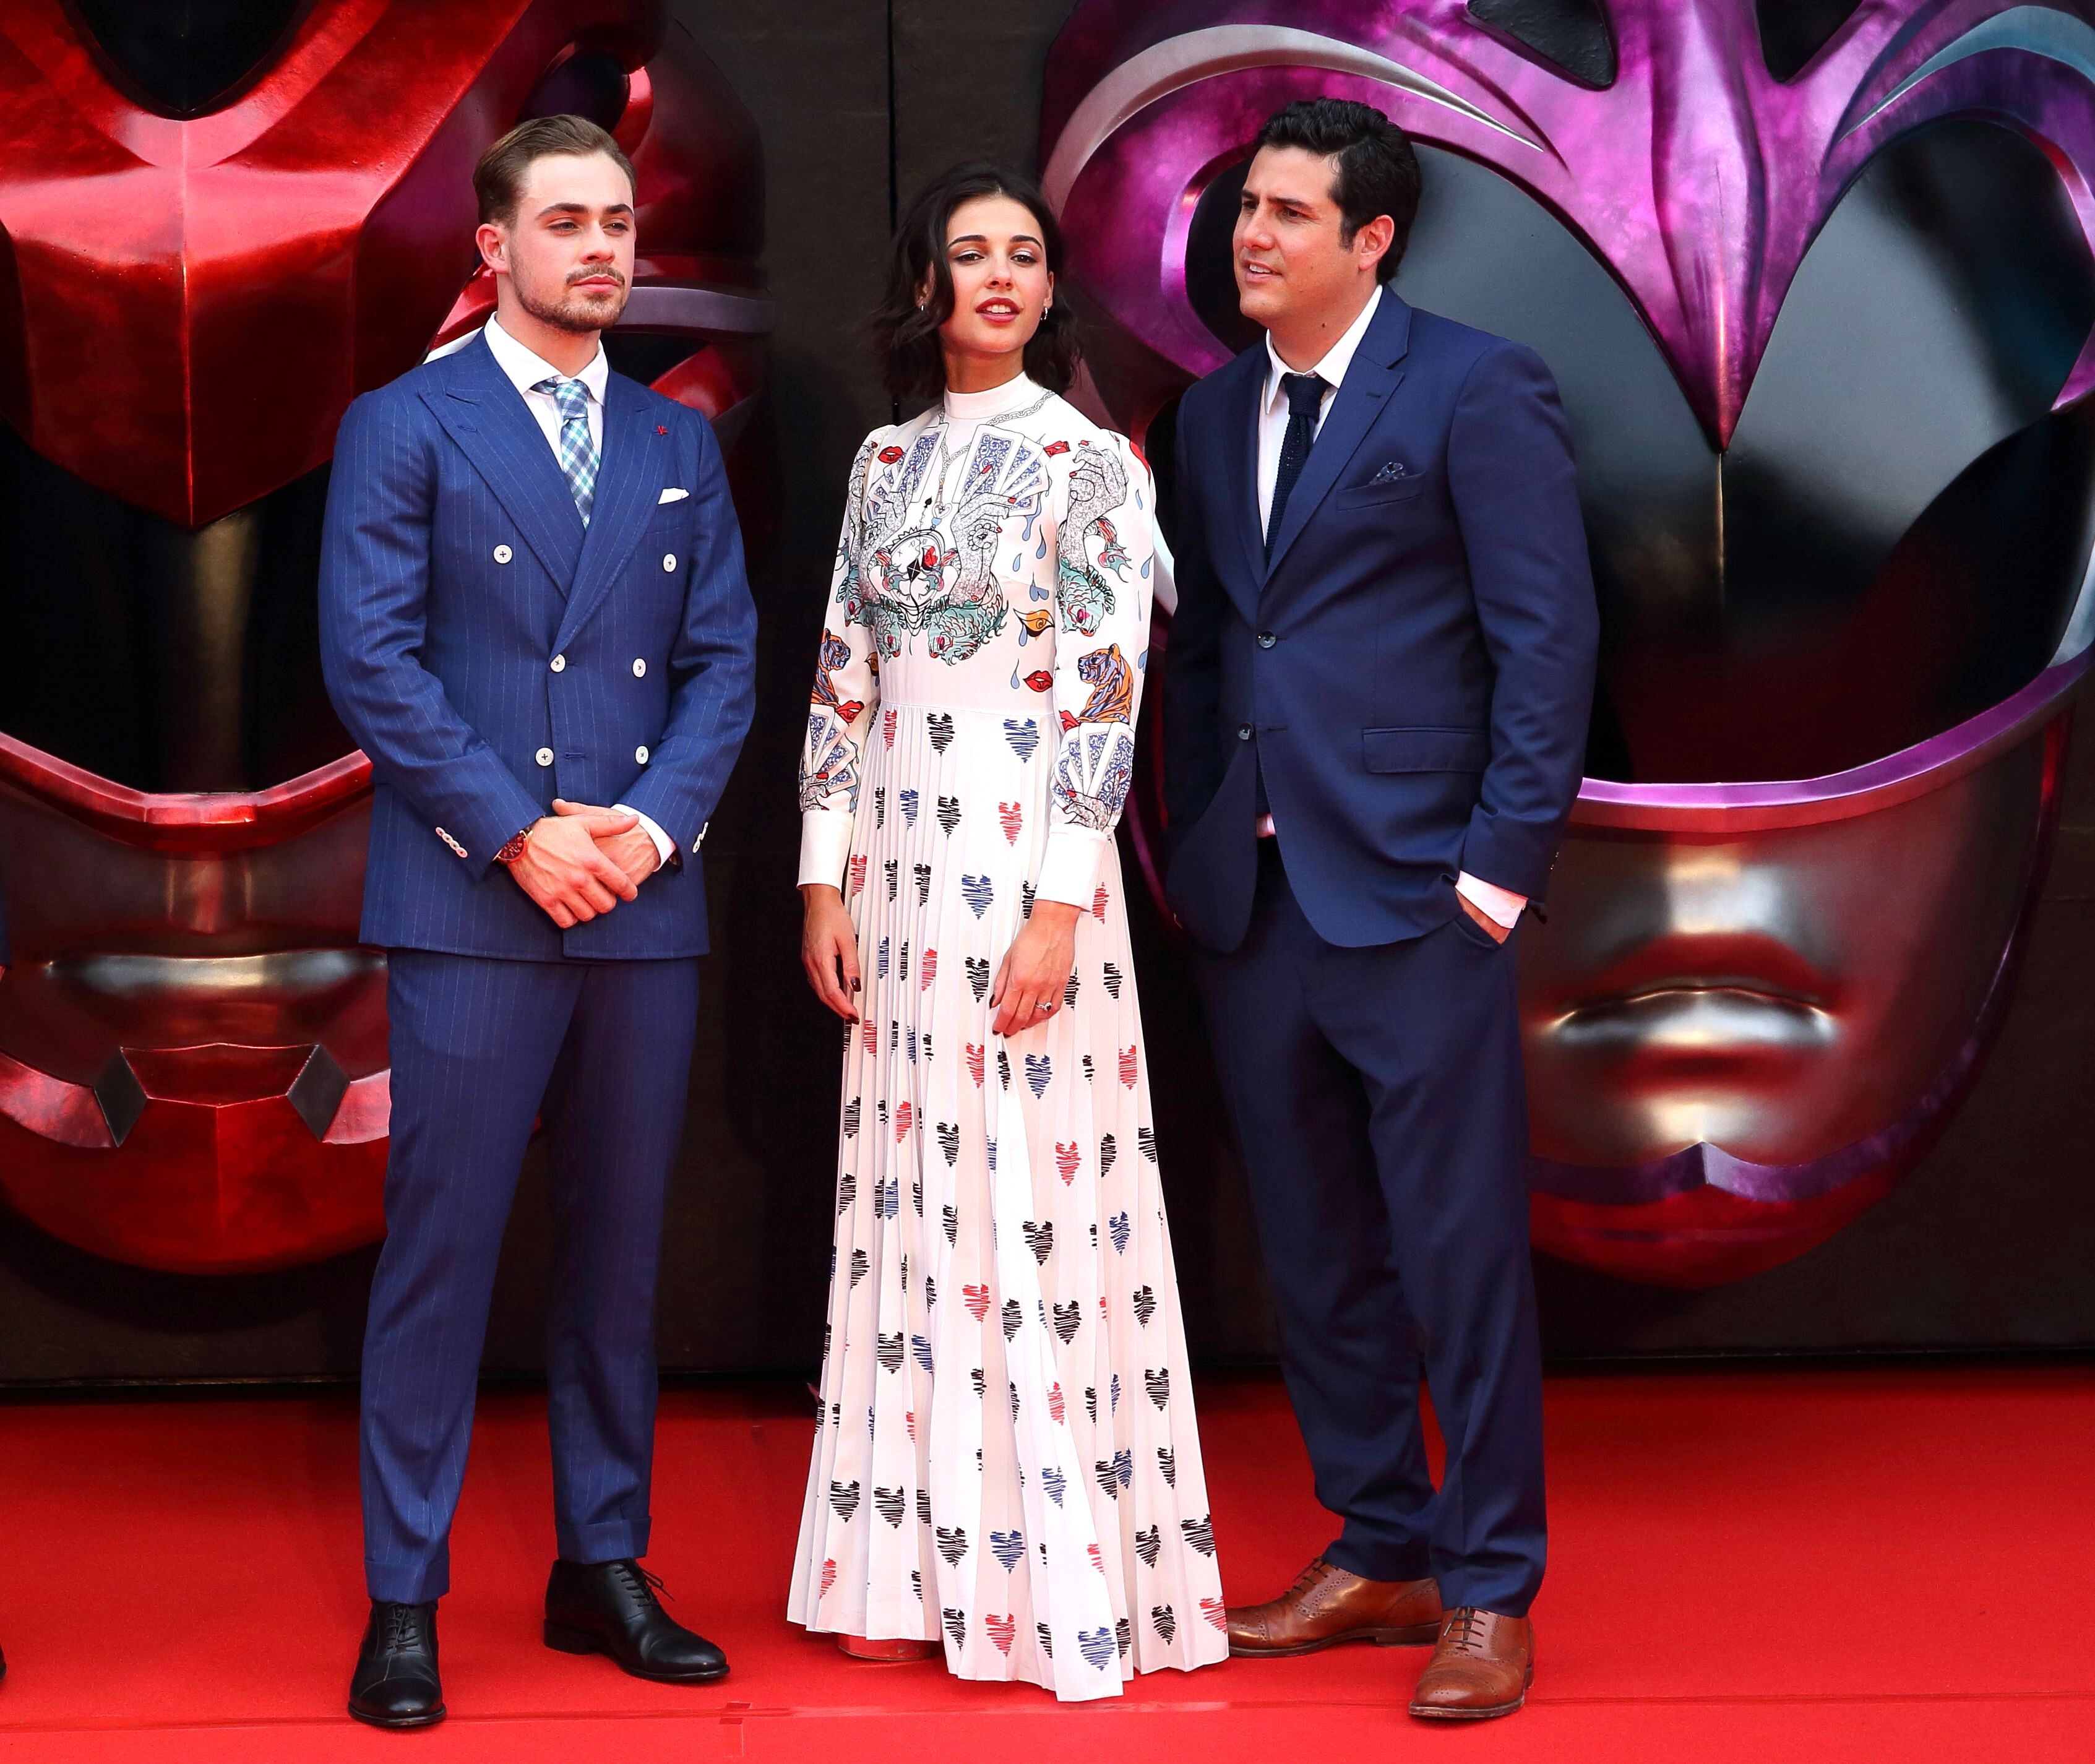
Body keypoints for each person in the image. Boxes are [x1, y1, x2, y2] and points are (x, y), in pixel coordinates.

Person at [318, 114, 757, 1729]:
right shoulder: (403, 422)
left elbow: (723, 660)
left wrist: (645, 827)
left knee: (619, 1259)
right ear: (492, 247)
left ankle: (603, 1560)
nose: (601, 249)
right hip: (472, 899)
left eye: (619, 222)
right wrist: (517, 832)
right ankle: (405, 1593)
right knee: (441, 1256)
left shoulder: (673, 439)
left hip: (636, 896)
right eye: (566, 222)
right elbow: (372, 661)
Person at [1163, 100, 1598, 1722]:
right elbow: (1213, 649)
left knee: (1457, 1253)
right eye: (1244, 208)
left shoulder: (1476, 386)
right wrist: (1192, 843)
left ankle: (1487, 1586)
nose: (1250, 235)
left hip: (1421, 896)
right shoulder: (1209, 413)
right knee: (1314, 1250)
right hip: (1256, 899)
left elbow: (1545, 639)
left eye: (1286, 212)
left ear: (1372, 239)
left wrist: (1494, 870)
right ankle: (1380, 1543)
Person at [787, 163, 1228, 1702]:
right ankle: (900, 1573)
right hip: (895, 873)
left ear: (1049, 289)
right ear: (925, 285)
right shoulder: (880, 462)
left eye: (1022, 255)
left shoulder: (1089, 463)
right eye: (966, 253)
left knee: (1026, 1199)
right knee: (909, 1199)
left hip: (1031, 867)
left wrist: (1058, 899)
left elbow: (1108, 698)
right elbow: (841, 676)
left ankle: (1050, 1582)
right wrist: (823, 877)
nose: (996, 275)